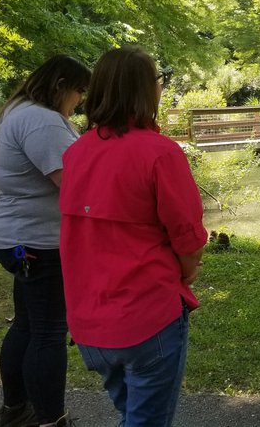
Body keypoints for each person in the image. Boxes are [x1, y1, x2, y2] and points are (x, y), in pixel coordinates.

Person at [59, 47, 207, 427]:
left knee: (131, 416)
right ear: (145, 91)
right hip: (147, 318)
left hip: (91, 323)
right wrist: (187, 273)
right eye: (157, 81)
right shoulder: (160, 153)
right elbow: (188, 238)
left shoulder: (76, 154)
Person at [0, 55, 91, 427]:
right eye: (79, 91)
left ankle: (15, 411)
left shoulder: (17, 110)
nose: (80, 100)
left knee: (27, 326)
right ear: (60, 85)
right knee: (48, 332)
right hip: (37, 242)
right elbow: (76, 188)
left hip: (14, 236)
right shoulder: (42, 121)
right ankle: (51, 420)